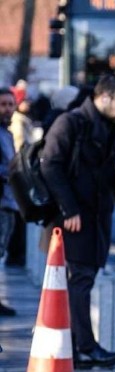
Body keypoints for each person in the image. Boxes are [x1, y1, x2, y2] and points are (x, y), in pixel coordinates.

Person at [41, 74, 115, 369]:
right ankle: (83, 348)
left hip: (96, 218)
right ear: (103, 97)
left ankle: (78, 346)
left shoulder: (108, 126)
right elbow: (50, 165)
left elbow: (108, 177)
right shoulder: (71, 123)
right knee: (79, 280)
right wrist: (69, 210)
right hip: (75, 220)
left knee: (84, 279)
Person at [0, 88, 19, 315]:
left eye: (10, 104)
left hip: (8, 202)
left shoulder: (8, 133)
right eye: (3, 104)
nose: (7, 109)